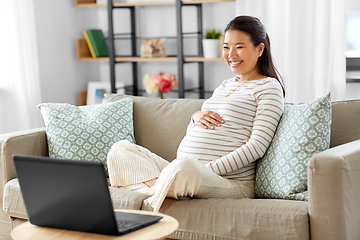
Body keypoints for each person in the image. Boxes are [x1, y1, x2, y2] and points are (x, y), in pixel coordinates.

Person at [107, 15, 285, 212]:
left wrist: (205, 170)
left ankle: (152, 192)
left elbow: (257, 147)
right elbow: (199, 126)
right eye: (226, 47)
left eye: (239, 47)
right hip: (187, 171)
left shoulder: (268, 88)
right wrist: (195, 117)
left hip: (230, 182)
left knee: (184, 167)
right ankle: (162, 187)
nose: (231, 54)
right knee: (120, 150)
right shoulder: (225, 85)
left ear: (259, 49)